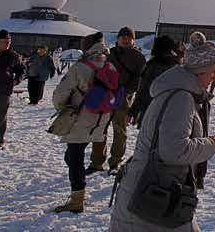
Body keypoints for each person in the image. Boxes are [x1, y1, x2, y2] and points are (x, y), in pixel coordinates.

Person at [109, 41, 215, 230]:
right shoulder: (181, 98)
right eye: (214, 70)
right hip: (152, 198)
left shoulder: (178, 92)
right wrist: (211, 145)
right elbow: (173, 150)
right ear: (200, 70)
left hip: (149, 193)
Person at [52, 33, 119, 213]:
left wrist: (61, 108)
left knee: (74, 158)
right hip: (101, 119)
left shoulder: (80, 67)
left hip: (80, 118)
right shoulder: (110, 65)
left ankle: (77, 200)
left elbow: (60, 94)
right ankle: (78, 195)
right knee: (74, 155)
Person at [89, 26, 147, 176]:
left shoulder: (138, 57)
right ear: (118, 38)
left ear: (133, 40)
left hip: (122, 98)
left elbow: (138, 80)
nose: (126, 39)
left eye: (129, 37)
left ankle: (115, 162)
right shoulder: (110, 54)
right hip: (105, 97)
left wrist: (125, 91)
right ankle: (96, 162)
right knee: (100, 129)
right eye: (123, 36)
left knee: (119, 131)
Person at [129, 36, 180, 128]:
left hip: (151, 111)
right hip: (172, 114)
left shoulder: (152, 66)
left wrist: (133, 111)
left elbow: (143, 91)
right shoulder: (178, 68)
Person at [0, 29, 25, 151]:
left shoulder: (13, 56)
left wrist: (16, 81)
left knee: (0, 116)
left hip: (3, 91)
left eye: (9, 41)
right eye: (4, 41)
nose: (7, 44)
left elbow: (22, 71)